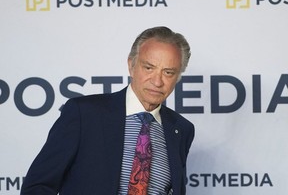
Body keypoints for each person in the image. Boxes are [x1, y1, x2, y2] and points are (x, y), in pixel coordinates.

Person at [21, 26, 195, 195]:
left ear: (178, 77)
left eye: (168, 72)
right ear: (131, 65)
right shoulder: (84, 114)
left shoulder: (181, 129)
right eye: (149, 68)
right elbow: (38, 186)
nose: (157, 81)